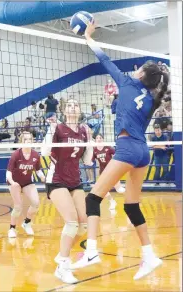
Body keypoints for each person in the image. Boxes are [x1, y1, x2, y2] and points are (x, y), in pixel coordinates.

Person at [71, 23, 169, 280]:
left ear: (139, 75)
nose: (134, 70)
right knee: (131, 206)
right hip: (142, 152)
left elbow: (103, 58)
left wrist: (88, 36)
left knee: (92, 199)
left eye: (138, 69)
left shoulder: (125, 82)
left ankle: (91, 250)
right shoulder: (151, 100)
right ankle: (149, 256)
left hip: (126, 149)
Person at [41, 99, 93, 284]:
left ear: (79, 111)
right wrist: (51, 130)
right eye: (69, 104)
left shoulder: (83, 131)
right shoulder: (59, 128)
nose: (73, 107)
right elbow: (45, 152)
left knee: (83, 225)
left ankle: (62, 254)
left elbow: (87, 161)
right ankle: (62, 266)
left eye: (76, 105)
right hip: (56, 180)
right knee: (71, 223)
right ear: (64, 110)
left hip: (75, 181)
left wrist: (90, 139)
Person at [6, 131, 45, 238]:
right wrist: (13, 183)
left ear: (32, 141)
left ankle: (26, 223)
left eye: (29, 139)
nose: (28, 141)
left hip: (27, 182)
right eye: (25, 139)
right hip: (14, 182)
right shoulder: (16, 155)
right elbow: (8, 172)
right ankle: (12, 229)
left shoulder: (36, 155)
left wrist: (42, 177)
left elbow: (38, 170)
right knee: (18, 206)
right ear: (21, 141)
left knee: (36, 203)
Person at [92, 134, 125, 210]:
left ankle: (132, 199)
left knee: (119, 190)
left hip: (112, 170)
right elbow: (91, 160)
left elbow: (117, 154)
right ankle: (112, 202)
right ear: (95, 140)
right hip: (103, 172)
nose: (99, 139)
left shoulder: (108, 147)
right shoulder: (95, 150)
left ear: (103, 139)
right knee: (103, 190)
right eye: (97, 138)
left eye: (100, 138)